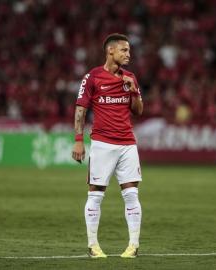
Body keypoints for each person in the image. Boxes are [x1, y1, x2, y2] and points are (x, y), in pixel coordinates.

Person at [72, 33, 144, 259]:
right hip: (102, 143)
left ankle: (133, 246)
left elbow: (139, 110)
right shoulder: (92, 77)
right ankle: (93, 246)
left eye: (129, 51)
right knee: (95, 195)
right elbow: (80, 109)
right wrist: (78, 141)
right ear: (110, 51)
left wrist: (132, 89)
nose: (128, 55)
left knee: (132, 194)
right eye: (124, 50)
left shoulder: (130, 77)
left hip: (127, 144)